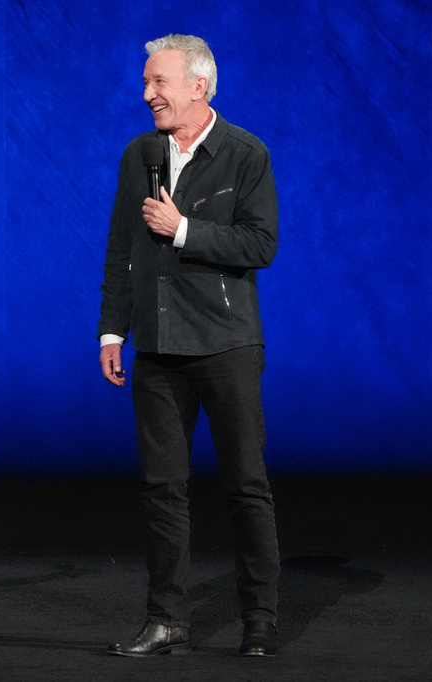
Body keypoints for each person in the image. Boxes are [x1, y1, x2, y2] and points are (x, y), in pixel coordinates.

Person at [98, 34, 280, 657]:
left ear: (198, 86)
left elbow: (260, 245)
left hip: (226, 345)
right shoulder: (139, 154)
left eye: (159, 83)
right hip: (157, 350)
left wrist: (184, 231)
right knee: (162, 487)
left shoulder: (244, 153)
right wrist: (113, 329)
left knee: (245, 484)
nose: (147, 94)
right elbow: (121, 248)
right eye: (147, 83)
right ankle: (166, 618)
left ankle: (259, 616)